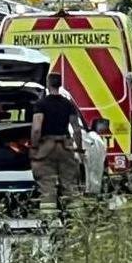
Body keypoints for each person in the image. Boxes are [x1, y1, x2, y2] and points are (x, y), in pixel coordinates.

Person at [30, 73, 83, 214]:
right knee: (70, 183)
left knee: (47, 184)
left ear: (48, 84)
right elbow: (76, 129)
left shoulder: (41, 105)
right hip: (65, 146)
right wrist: (78, 149)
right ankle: (77, 219)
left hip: (47, 146)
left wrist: (34, 147)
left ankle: (49, 220)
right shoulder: (68, 104)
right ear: (60, 84)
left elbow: (36, 129)